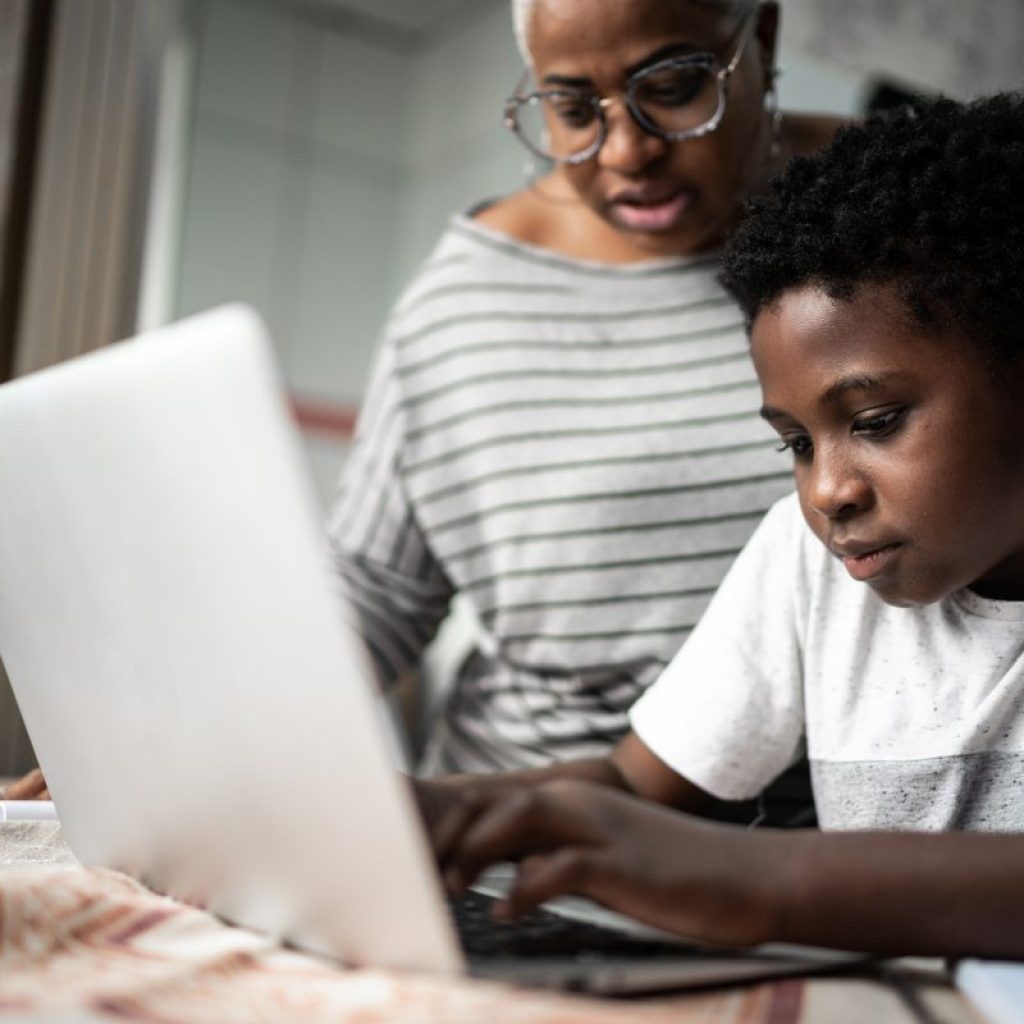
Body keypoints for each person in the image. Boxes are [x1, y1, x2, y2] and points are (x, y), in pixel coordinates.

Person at [424, 92, 1024, 958]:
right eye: (794, 443)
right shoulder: (809, 559)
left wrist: (765, 881)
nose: (826, 492)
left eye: (877, 420)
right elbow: (638, 786)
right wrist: (450, 809)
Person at [328, 0, 841, 786]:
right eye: (572, 109)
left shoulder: (895, 220)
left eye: (672, 87)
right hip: (515, 843)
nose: (628, 151)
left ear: (760, 38)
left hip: (827, 862)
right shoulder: (464, 300)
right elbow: (375, 590)